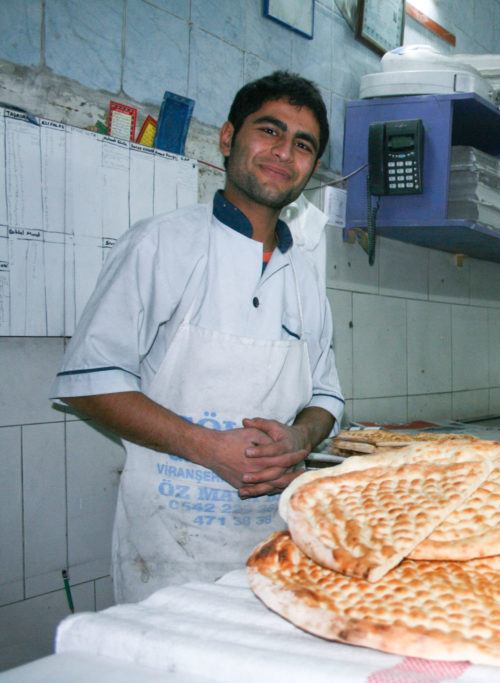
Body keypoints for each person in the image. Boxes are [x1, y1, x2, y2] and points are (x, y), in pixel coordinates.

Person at [50, 71, 344, 603]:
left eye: (302, 145)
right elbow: (88, 383)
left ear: (312, 168)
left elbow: (326, 397)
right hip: (167, 553)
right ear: (229, 138)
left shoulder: (304, 277)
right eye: (270, 131)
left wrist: (300, 439)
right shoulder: (160, 246)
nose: (284, 152)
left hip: (274, 549)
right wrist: (210, 449)